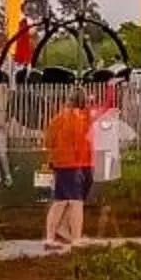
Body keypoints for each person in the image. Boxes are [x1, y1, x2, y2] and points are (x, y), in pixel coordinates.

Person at [42, 87, 96, 250]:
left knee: (60, 201)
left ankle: (52, 237)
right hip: (72, 163)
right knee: (76, 202)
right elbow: (81, 141)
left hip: (62, 162)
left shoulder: (59, 117)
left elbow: (48, 141)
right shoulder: (79, 118)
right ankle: (76, 237)